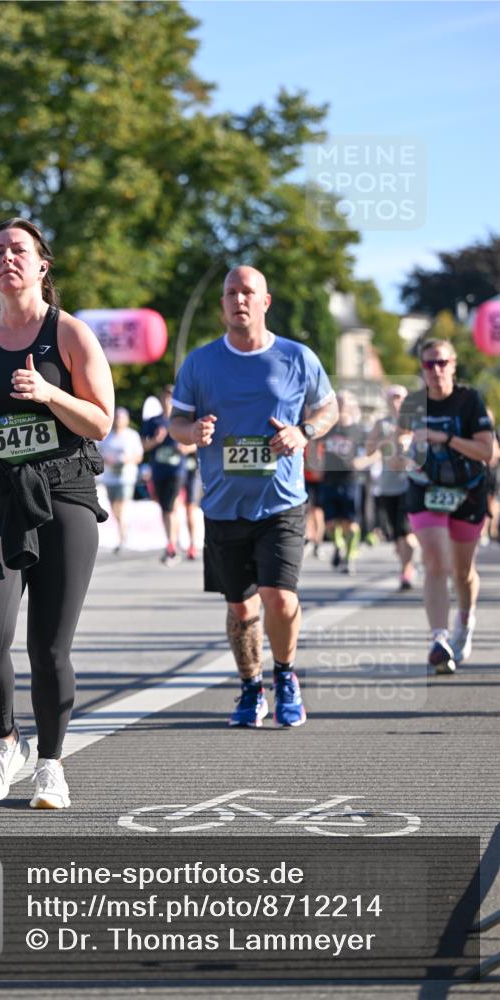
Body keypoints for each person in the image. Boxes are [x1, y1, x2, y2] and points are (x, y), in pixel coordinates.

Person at [0, 218, 114, 808]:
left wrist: (50, 394)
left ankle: (50, 763)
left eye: (18, 250)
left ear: (42, 265)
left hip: (64, 493)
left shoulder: (69, 333)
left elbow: (101, 420)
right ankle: (5, 743)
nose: (7, 259)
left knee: (48, 648)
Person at [169, 265, 338, 728]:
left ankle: (285, 675)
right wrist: (192, 432)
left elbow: (328, 408)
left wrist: (304, 433)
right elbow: (176, 422)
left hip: (282, 500)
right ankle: (250, 688)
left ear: (265, 302)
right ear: (223, 303)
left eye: (248, 292)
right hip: (224, 505)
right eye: (231, 293)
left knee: (278, 597)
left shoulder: (297, 356)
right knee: (241, 607)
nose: (239, 299)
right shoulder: (200, 363)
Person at [397, 338, 494, 673]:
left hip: (468, 490)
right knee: (436, 559)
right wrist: (401, 447)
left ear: (453, 365)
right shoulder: (413, 403)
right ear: (422, 368)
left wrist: (445, 438)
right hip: (425, 488)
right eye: (429, 364)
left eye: (442, 363)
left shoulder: (469, 400)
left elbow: (487, 452)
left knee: (462, 571)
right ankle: (438, 640)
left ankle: (464, 622)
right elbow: (396, 441)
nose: (436, 370)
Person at [366, 385, 417, 590]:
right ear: (387, 401)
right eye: (393, 398)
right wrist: (386, 441)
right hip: (387, 485)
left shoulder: (414, 422)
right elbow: (369, 450)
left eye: (400, 398)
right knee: (396, 534)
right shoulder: (381, 424)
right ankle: (406, 564)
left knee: (406, 531)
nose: (397, 402)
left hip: (409, 483)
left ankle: (406, 570)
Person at [141, 385, 194, 565]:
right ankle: (171, 541)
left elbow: (196, 442)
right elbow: (143, 446)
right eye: (165, 396)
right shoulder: (153, 421)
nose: (167, 400)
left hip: (177, 471)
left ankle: (172, 545)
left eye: (171, 397)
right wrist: (156, 440)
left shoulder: (182, 421)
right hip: (159, 470)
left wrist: (185, 448)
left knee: (171, 507)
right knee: (165, 508)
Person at [319, 391, 365, 574]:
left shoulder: (359, 430)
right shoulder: (328, 427)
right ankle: (338, 546)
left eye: (344, 402)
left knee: (350, 524)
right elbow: (313, 443)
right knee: (330, 523)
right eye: (338, 401)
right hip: (329, 478)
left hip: (350, 480)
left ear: (352, 405)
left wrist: (363, 462)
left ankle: (349, 556)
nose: (341, 405)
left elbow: (374, 452)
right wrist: (315, 462)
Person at [99, 406, 144, 552]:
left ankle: (122, 537)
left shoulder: (132, 435)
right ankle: (123, 528)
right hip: (110, 477)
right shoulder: (107, 436)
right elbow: (99, 454)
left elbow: (139, 456)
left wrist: (127, 460)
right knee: (114, 507)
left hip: (126, 477)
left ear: (127, 420)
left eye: (121, 418)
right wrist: (107, 460)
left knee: (122, 505)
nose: (118, 420)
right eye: (117, 418)